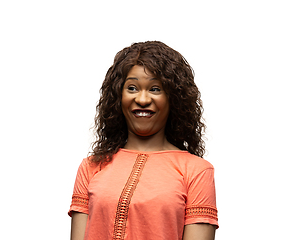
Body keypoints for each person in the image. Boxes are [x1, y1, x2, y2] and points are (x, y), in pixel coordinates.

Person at [69, 41, 219, 240]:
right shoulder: (91, 167)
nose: (142, 99)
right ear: (118, 96)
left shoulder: (196, 171)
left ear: (173, 98)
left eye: (155, 89)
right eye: (132, 88)